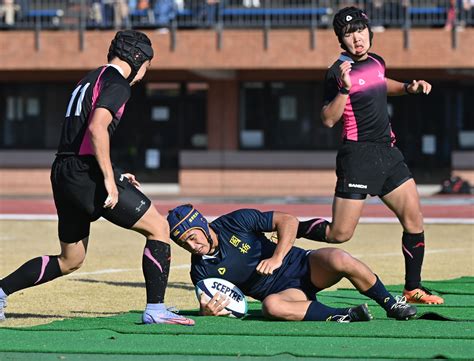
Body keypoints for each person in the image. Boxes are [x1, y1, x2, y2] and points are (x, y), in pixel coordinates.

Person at [0, 30, 194, 326]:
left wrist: (114, 172)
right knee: (158, 227)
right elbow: (96, 128)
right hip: (83, 173)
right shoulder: (118, 83)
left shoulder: (91, 78)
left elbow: (82, 136)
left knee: (70, 260)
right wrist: (107, 179)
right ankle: (156, 309)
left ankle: (1, 290)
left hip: (63, 170)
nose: (145, 73)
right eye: (148, 65)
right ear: (138, 58)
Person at [300, 7, 444, 305]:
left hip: (388, 153)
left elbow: (380, 83)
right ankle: (289, 228)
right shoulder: (337, 71)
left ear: (369, 32)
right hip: (358, 156)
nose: (357, 39)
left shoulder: (376, 61)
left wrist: (408, 87)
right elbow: (328, 119)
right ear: (341, 40)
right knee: (339, 234)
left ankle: (412, 288)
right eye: (349, 35)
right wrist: (343, 89)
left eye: (360, 32)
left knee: (414, 220)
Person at [167, 204, 417, 322]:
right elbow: (213, 305)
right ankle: (345, 315)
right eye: (182, 243)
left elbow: (289, 220)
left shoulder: (236, 221)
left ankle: (390, 303)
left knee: (339, 257)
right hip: (286, 294)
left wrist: (277, 257)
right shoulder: (200, 270)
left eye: (191, 237)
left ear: (201, 225)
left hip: (305, 265)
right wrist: (206, 312)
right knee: (271, 307)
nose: (190, 245)